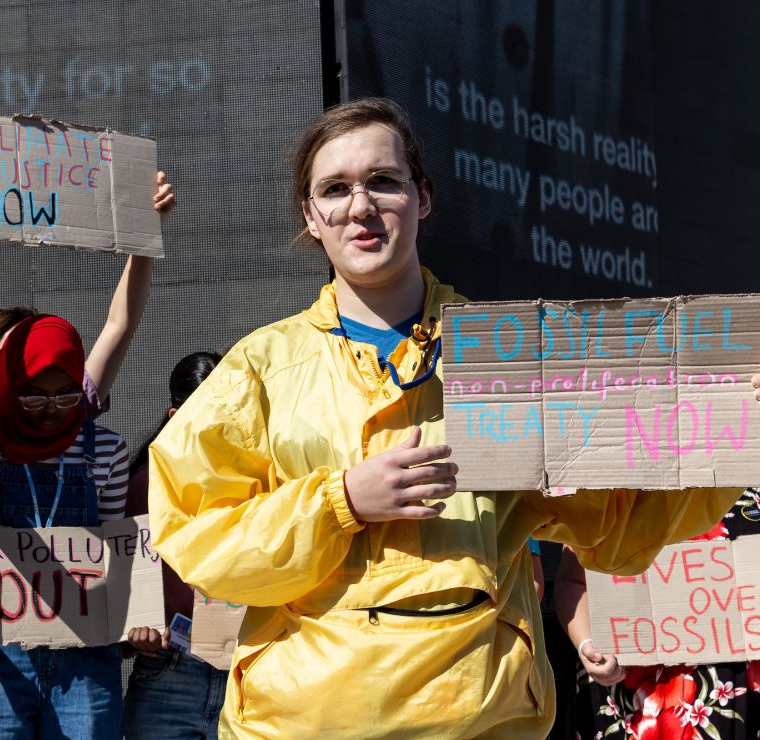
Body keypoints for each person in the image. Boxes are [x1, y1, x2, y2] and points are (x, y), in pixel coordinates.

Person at [145, 97, 748, 738]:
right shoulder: (258, 371)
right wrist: (342, 499)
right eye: (335, 189)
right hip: (303, 719)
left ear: (422, 197)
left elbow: (618, 523)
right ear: (311, 216)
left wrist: (732, 430)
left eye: (383, 181)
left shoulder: (517, 357)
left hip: (479, 714)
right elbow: (199, 534)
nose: (360, 206)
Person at [0, 314, 131, 739]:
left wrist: (133, 618)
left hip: (84, 653)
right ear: (11, 383)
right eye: (32, 395)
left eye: (66, 395)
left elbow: (116, 546)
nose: (50, 408)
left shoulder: (105, 450)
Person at [0, 151, 176, 412]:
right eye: (20, 352)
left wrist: (147, 234)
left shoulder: (74, 409)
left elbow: (120, 324)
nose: (39, 361)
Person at [556, 490, 760, 738]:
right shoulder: (605, 488)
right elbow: (573, 581)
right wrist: (587, 645)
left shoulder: (748, 481)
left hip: (735, 695)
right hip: (628, 696)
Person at [123, 350, 229, 740]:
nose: (220, 427)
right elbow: (120, 580)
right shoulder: (143, 488)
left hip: (248, 669)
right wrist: (133, 631)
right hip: (171, 667)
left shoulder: (266, 473)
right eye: (206, 417)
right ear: (174, 418)